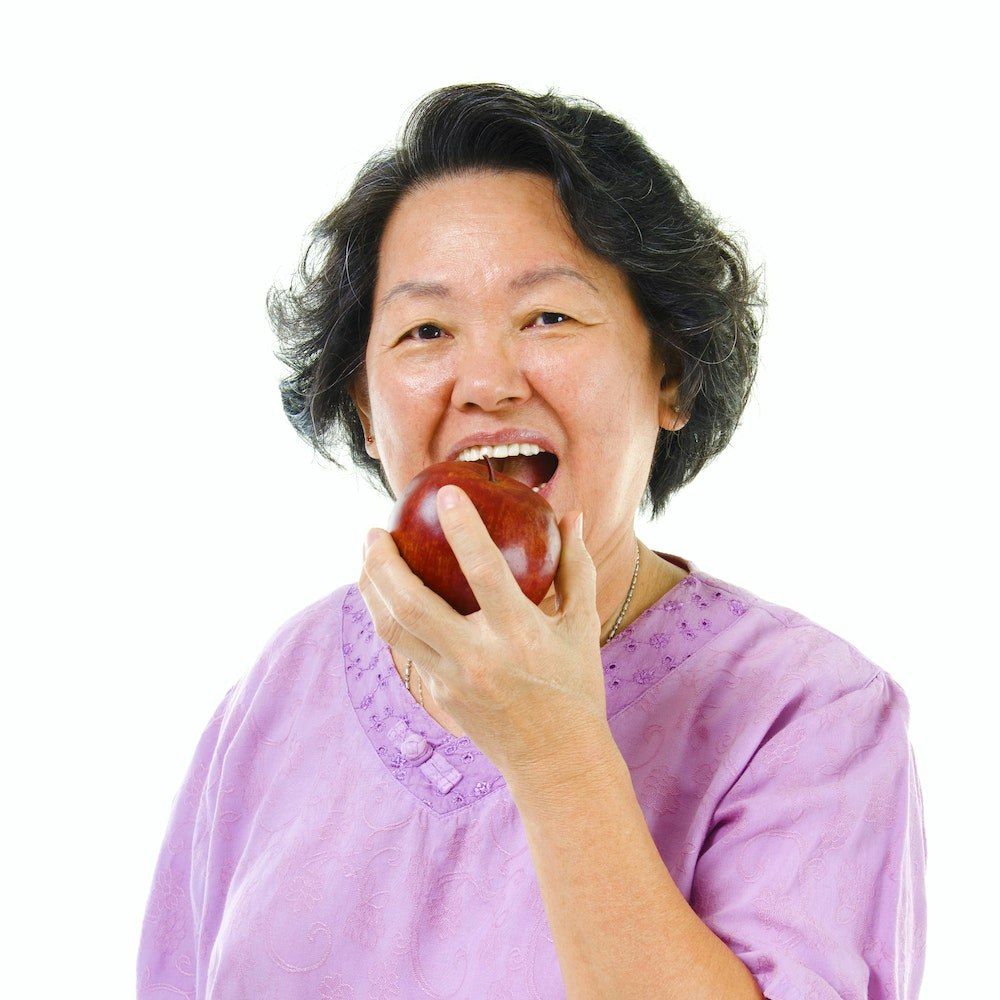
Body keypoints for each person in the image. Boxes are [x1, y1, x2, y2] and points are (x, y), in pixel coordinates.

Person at [138, 83, 925, 999]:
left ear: (669, 373)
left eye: (548, 316)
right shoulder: (278, 693)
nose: (486, 380)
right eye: (426, 330)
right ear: (363, 400)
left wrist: (552, 747)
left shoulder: (811, 714)